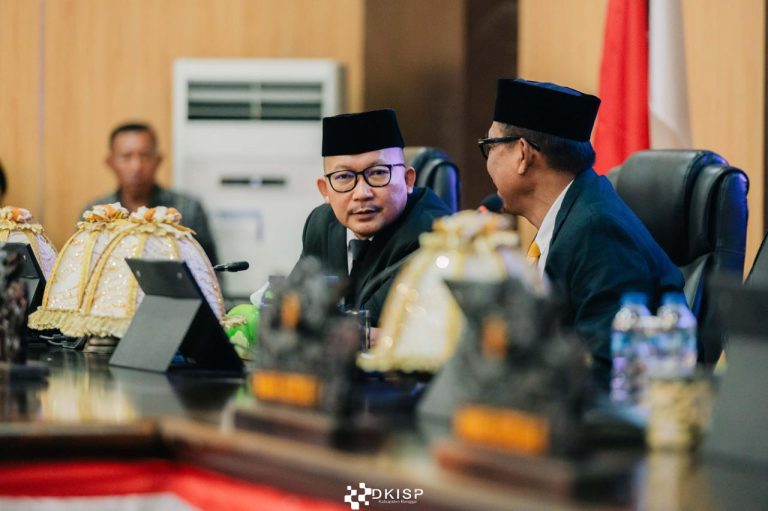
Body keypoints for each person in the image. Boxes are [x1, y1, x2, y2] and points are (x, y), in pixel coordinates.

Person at [481, 78, 684, 387]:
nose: (488, 162)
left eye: (490, 146)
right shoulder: (572, 215)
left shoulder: (596, 231)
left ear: (522, 154)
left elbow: (608, 369)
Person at [296, 109, 452, 328]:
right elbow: (293, 305)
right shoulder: (320, 224)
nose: (362, 193)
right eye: (343, 177)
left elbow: (374, 323)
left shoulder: (433, 234)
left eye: (378, 173)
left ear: (408, 180)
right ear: (325, 190)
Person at [84, 122, 218, 263]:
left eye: (145, 156)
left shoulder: (188, 208)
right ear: (110, 162)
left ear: (158, 160)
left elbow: (210, 269)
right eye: (126, 157)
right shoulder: (96, 214)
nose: (136, 166)